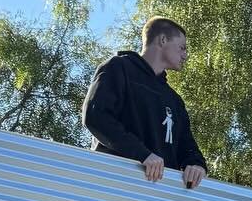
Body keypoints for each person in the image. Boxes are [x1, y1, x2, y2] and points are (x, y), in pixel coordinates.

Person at [82, 17, 207, 187]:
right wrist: (142, 155)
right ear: (163, 40)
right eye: (182, 47)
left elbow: (186, 145)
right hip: (114, 183)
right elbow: (96, 116)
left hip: (159, 195)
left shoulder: (174, 100)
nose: (185, 55)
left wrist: (196, 165)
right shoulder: (118, 68)